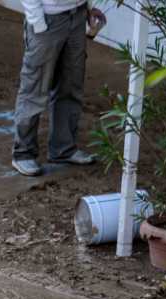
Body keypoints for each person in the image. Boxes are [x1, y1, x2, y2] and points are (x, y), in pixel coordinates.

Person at [11, 1, 108, 176]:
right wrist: (38, 23)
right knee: (35, 89)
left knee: (70, 85)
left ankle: (63, 149)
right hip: (48, 19)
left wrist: (86, 8)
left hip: (76, 16)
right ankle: (23, 153)